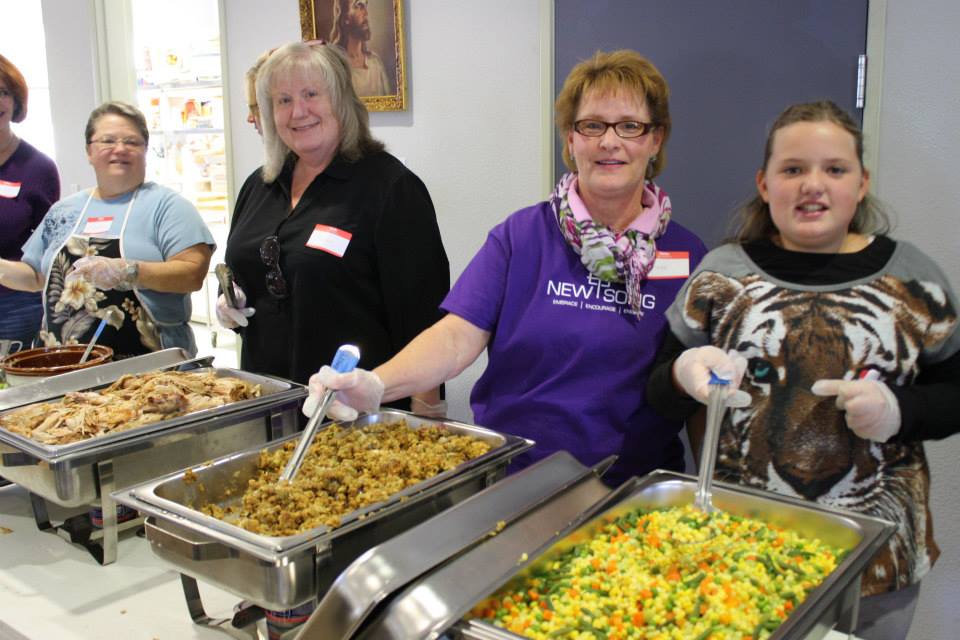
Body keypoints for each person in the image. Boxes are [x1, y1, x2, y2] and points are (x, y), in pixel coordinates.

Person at [305, 50, 708, 487]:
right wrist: (378, 385)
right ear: (571, 140)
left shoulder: (688, 256)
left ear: (655, 140)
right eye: (592, 125)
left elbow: (698, 396)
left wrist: (714, 488)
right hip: (514, 483)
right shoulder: (522, 236)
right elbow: (456, 337)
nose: (609, 142)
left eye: (630, 126)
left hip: (633, 492)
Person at [646, 100, 960, 640]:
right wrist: (684, 376)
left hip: (880, 563)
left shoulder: (915, 278)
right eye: (793, 169)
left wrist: (899, 411)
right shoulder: (723, 273)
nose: (813, 184)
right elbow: (656, 391)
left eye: (834, 169)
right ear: (764, 184)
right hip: (737, 557)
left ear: (861, 183)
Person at [218, 41, 448, 415]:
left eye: (311, 94)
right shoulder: (258, 187)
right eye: (283, 100)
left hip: (355, 415)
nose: (299, 112)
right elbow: (245, 275)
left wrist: (428, 416)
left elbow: (424, 323)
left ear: (341, 100)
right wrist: (231, 301)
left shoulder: (391, 189)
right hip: (266, 408)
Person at [0, 101, 214, 357]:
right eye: (108, 141)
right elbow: (36, 276)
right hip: (65, 366)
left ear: (146, 149)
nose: (120, 149)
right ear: (89, 151)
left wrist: (130, 271)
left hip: (150, 369)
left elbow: (192, 274)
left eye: (132, 142)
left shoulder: (168, 207)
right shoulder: (65, 210)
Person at [0, 54, 60, 350]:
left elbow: (49, 253)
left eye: (2, 92)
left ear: (15, 100)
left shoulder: (38, 169)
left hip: (16, 306)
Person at [329, 0, 390, 96]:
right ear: (345, 18)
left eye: (365, 6)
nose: (366, 13)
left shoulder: (376, 64)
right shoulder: (335, 66)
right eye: (358, 6)